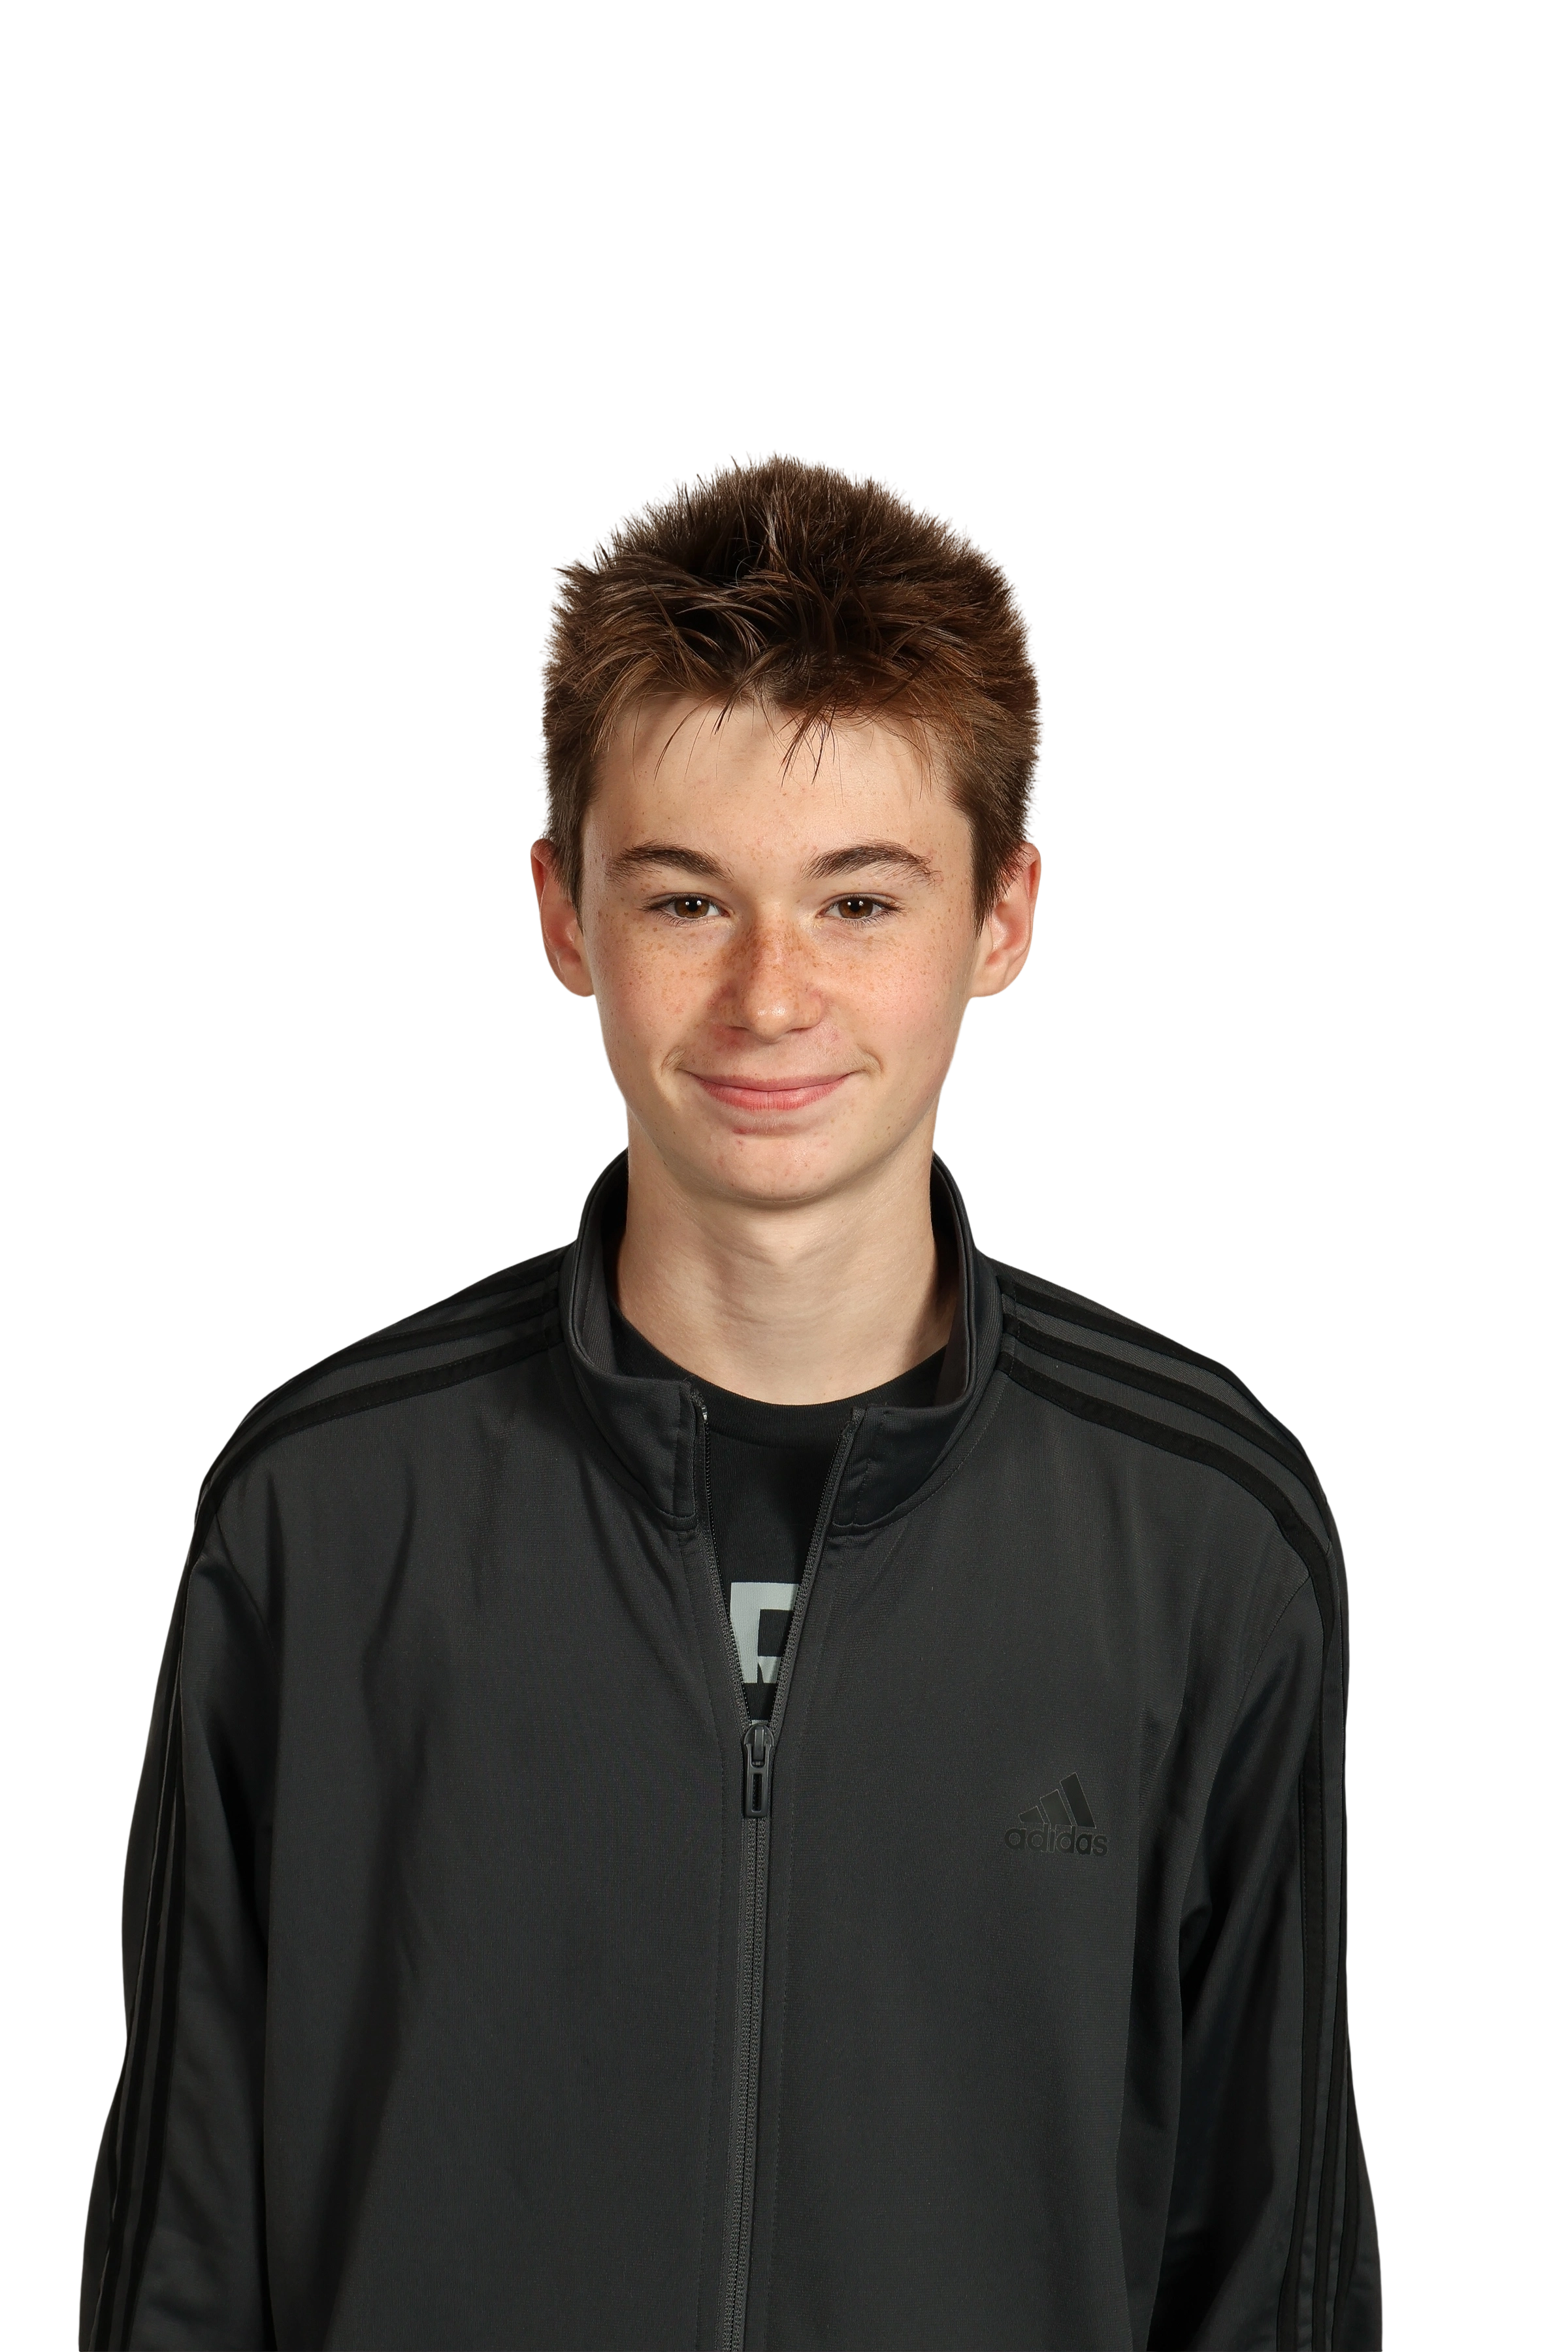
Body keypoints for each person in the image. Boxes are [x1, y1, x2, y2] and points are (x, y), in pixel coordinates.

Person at [79, 448, 1382, 2351]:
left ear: (1004, 916)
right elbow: (184, 2246)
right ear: (561, 915)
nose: (772, 997)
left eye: (860, 902)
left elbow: (1275, 2275)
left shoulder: (1204, 1532)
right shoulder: (327, 1512)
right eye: (688, 899)